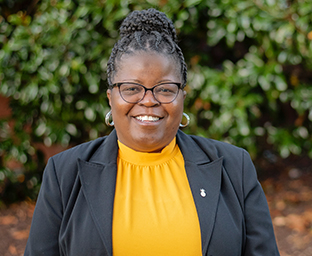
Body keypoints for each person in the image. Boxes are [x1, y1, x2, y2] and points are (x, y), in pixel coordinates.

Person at [24, 8, 280, 256]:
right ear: (111, 97)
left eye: (165, 89)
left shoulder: (235, 168)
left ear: (182, 97)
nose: (148, 101)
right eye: (132, 88)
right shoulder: (64, 174)